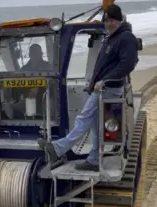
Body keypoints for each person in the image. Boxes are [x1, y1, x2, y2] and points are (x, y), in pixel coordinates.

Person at [37, 4, 139, 171]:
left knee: (83, 119)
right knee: (94, 126)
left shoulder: (125, 37)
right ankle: (93, 160)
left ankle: (58, 148)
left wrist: (105, 80)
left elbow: (128, 63)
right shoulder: (112, 37)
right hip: (101, 88)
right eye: (106, 20)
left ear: (119, 20)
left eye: (112, 20)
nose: (108, 23)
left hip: (107, 89)